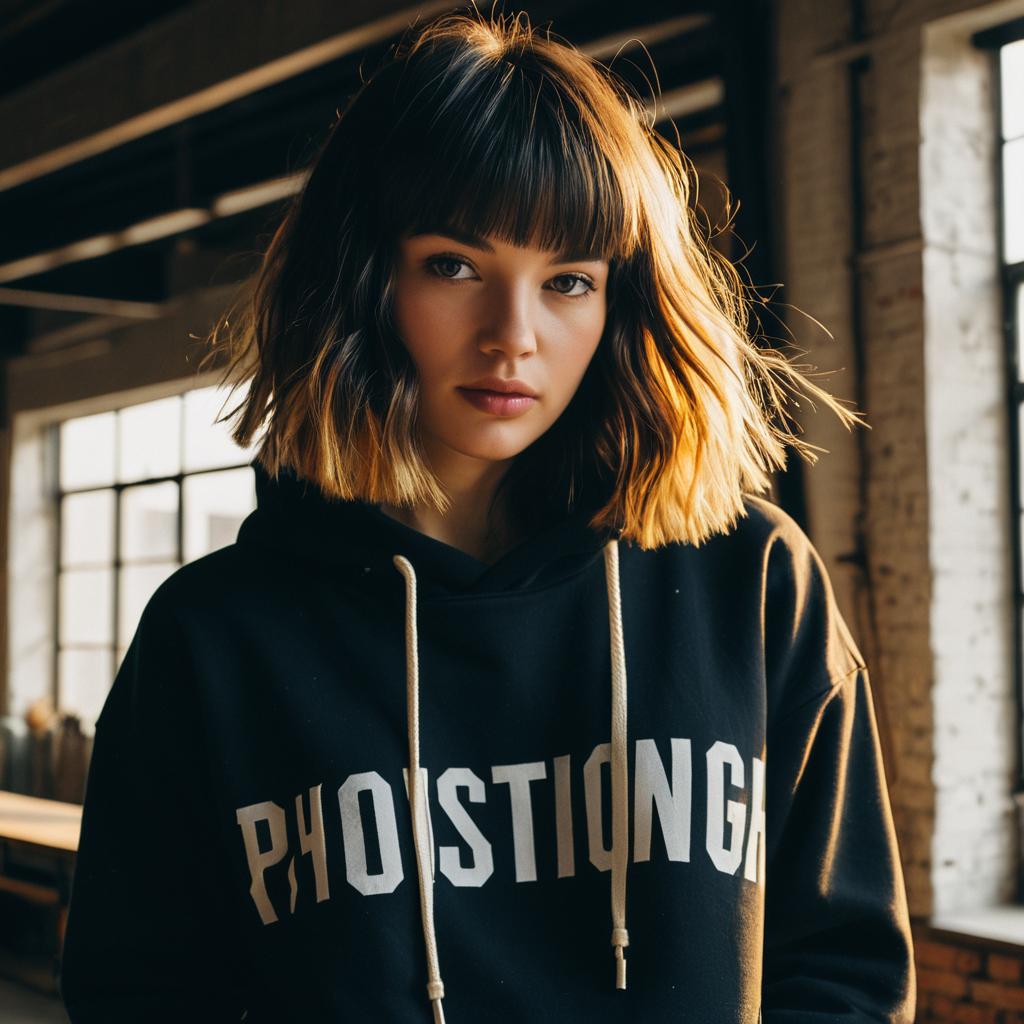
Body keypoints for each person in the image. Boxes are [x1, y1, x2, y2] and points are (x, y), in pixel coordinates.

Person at [57, 7, 916, 1023]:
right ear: (364, 278)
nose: (514, 335)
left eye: (567, 281)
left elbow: (846, 974)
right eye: (455, 265)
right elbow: (138, 994)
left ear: (616, 304)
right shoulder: (214, 640)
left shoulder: (752, 581)